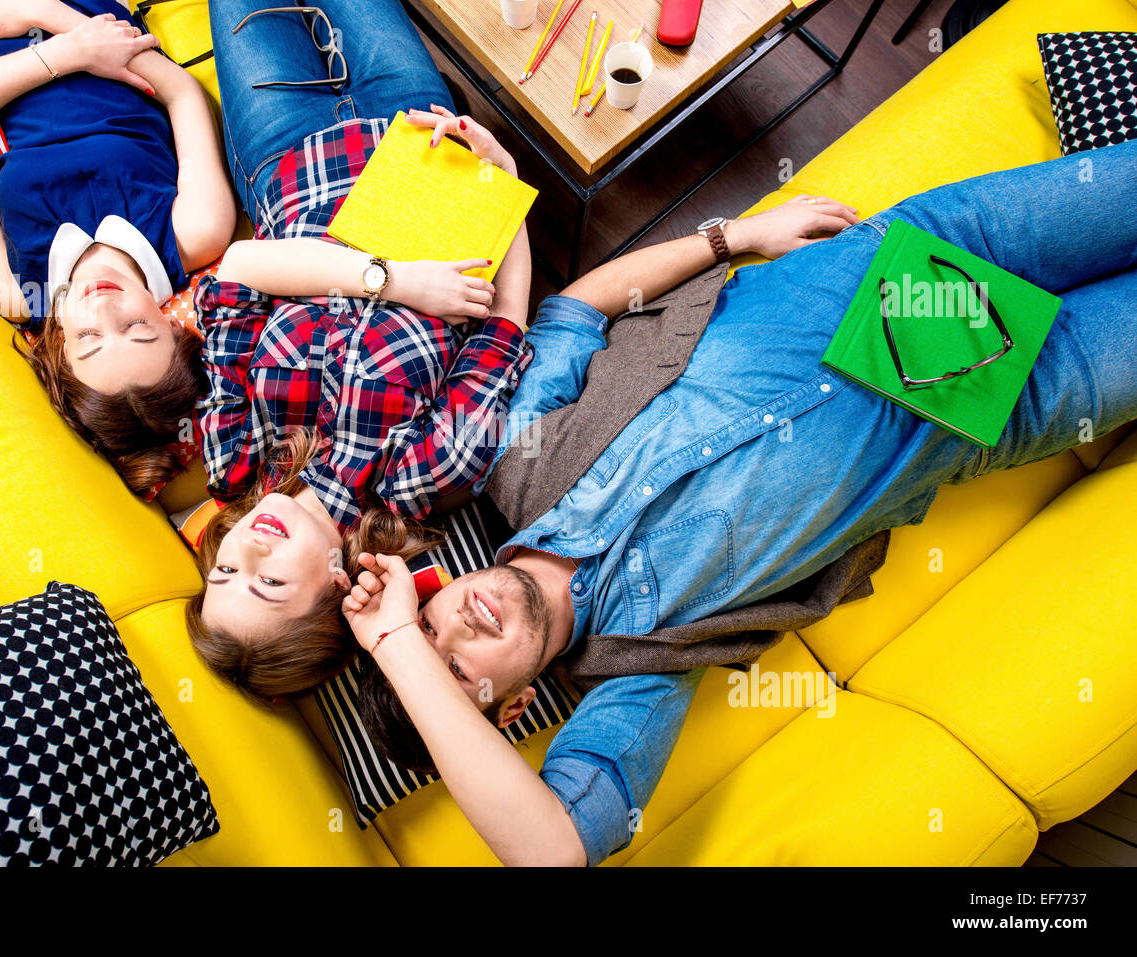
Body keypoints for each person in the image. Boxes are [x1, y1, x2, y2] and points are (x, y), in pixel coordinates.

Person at [342, 137, 1137, 865]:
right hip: (991, 401)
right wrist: (398, 648)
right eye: (458, 672)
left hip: (925, 254)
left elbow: (576, 310)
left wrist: (738, 236)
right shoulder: (641, 666)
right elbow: (551, 854)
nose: (457, 626)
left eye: (429, 624)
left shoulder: (516, 463)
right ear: (514, 710)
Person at [184, 0, 533, 703]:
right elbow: (504, 329)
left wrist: (393, 281)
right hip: (423, 142)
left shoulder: (235, 458)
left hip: (286, 152)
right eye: (270, 581)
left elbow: (242, 269)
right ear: (335, 592)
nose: (249, 547)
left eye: (225, 571)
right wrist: (503, 174)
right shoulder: (416, 484)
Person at [0, 0, 236, 495]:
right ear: (173, 324)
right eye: (135, 327)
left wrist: (61, 53)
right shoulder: (196, 231)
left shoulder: (16, 290)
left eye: (89, 339)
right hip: (85, 13)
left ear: (60, 349)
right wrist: (58, 21)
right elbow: (181, 93)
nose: (102, 307)